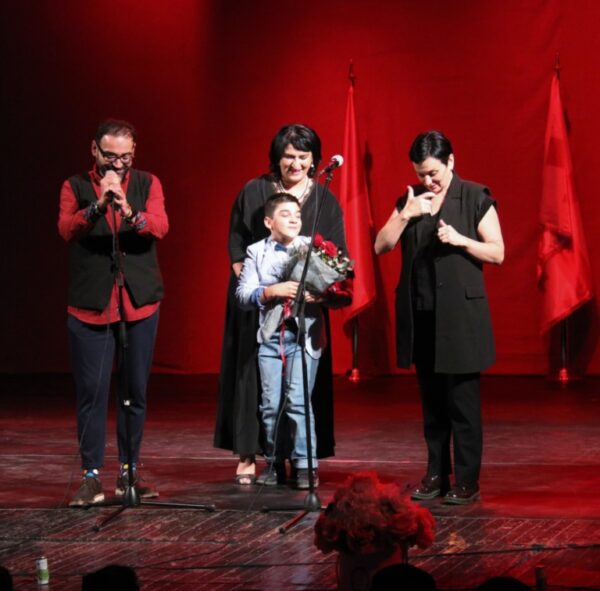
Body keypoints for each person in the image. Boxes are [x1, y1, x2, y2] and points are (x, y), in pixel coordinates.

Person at [214, 124, 348, 485]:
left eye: (304, 157)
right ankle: (253, 454)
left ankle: (303, 461)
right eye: (289, 156)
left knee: (299, 392)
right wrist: (257, 286)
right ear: (277, 157)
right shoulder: (255, 190)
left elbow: (337, 255)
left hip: (304, 310)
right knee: (258, 387)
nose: (296, 163)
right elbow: (237, 241)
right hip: (260, 303)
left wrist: (316, 291)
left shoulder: (324, 199)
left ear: (314, 160)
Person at [375, 130, 504, 505]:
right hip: (423, 313)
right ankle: (436, 473)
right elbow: (382, 245)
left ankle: (467, 479)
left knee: (462, 404)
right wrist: (406, 214)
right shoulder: (412, 200)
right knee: (432, 404)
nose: (428, 181)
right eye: (421, 174)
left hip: (460, 316)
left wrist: (462, 240)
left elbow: (497, 252)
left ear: (451, 161)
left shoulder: (474, 196)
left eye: (433, 173)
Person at [58, 119, 168, 506]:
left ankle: (128, 472)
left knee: (133, 392)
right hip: (91, 305)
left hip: (139, 303)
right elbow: (67, 229)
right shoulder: (74, 185)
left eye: (125, 157)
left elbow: (159, 226)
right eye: (110, 156)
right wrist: (99, 206)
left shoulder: (148, 183)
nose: (117, 165)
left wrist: (129, 210)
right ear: (94, 150)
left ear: (133, 154)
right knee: (92, 393)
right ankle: (91, 477)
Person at [236, 194, 349, 487]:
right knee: (270, 405)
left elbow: (341, 291)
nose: (294, 219)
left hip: (303, 337)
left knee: (299, 401)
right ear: (268, 222)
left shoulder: (313, 249)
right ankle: (274, 462)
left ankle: (305, 466)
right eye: (285, 214)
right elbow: (243, 295)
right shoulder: (256, 252)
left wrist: (320, 296)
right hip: (271, 337)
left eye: (297, 214)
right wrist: (271, 291)